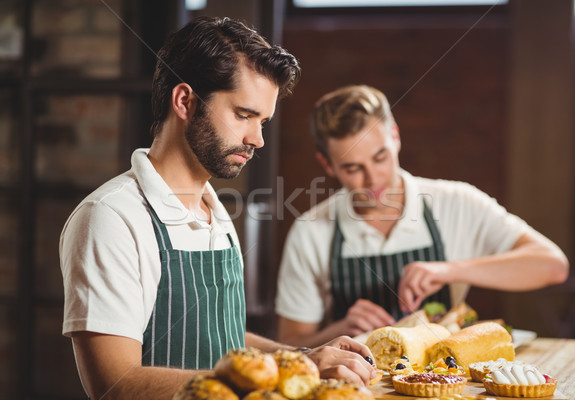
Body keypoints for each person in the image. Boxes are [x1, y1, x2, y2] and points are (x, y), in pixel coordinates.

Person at [60, 18, 376, 400]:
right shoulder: (111, 217)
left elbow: (220, 335)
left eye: (263, 122)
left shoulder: (215, 209)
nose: (256, 138)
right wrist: (282, 373)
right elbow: (114, 383)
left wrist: (301, 357)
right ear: (185, 101)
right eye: (243, 115)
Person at [275, 85, 569, 348]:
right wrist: (338, 331)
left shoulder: (457, 203)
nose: (373, 179)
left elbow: (552, 266)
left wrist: (449, 271)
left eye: (381, 158)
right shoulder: (311, 231)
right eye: (353, 168)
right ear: (327, 165)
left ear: (395, 136)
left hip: (444, 381)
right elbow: (290, 342)